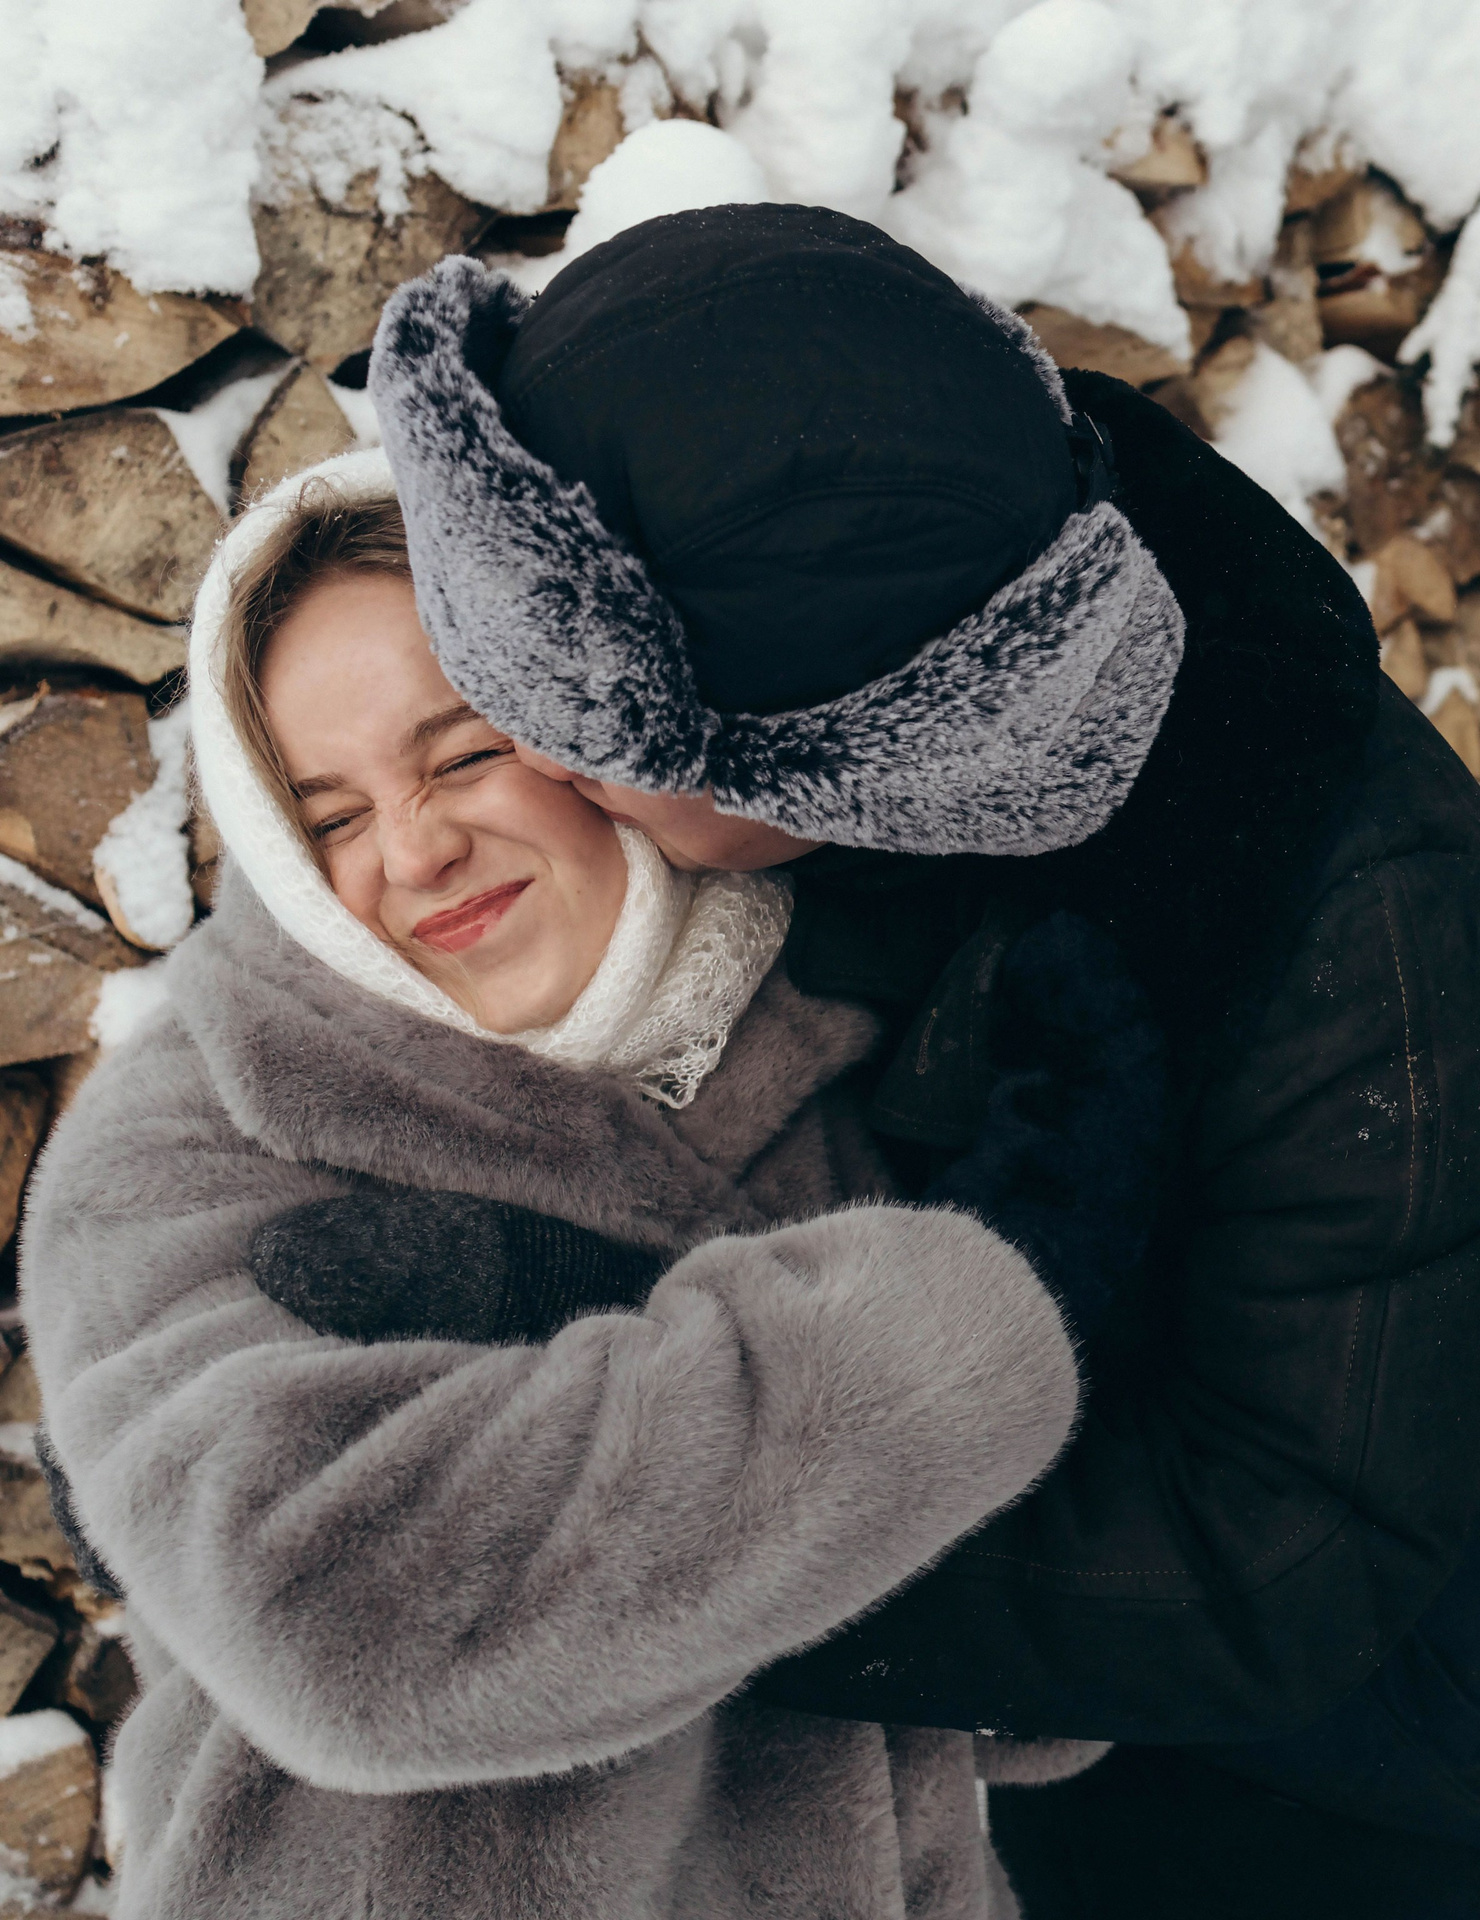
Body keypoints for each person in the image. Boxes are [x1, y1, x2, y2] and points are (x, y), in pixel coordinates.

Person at [314, 205, 1480, 1917]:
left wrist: (654, 1572)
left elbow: (1274, 1552)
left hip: (1469, 1793)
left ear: (846, 757)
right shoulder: (886, 573)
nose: (533, 767)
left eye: (599, 748)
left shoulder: (1369, 945)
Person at [17, 453, 1124, 1920]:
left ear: (591, 726)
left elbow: (1054, 1682)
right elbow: (339, 1626)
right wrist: (929, 1342)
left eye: (463, 752)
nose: (413, 852)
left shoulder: (831, 1043)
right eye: (329, 816)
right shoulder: (195, 1138)